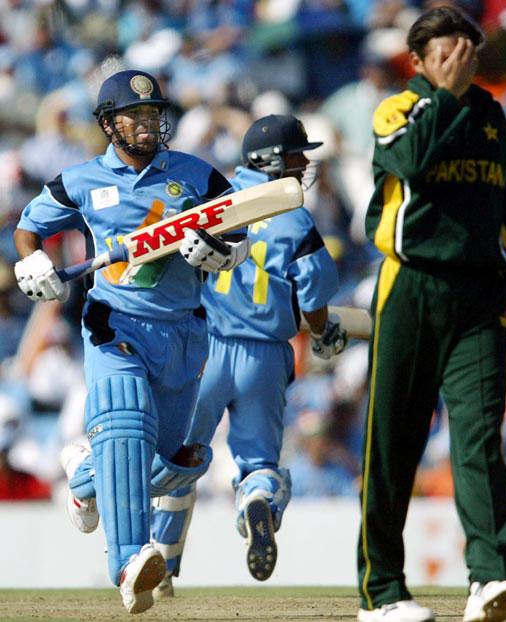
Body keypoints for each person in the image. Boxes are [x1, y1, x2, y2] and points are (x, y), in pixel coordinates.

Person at [13, 69, 249, 614]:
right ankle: (127, 561)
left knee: (169, 461)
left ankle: (84, 472)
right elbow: (29, 225)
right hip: (114, 322)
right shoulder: (80, 180)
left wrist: (222, 252)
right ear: (108, 123)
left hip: (185, 329)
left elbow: (239, 225)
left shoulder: (196, 175)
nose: (147, 124)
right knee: (125, 425)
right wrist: (33, 261)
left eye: (152, 115)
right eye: (134, 116)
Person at [356, 7, 506, 622]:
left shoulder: (492, 115)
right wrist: (444, 95)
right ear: (418, 61)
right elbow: (409, 162)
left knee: (479, 438)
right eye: (444, 52)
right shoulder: (397, 108)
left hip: (480, 297)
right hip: (409, 286)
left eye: (466, 49)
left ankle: (488, 579)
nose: (458, 60)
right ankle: (381, 591)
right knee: (393, 442)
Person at [150, 114, 348, 596]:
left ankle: (160, 565)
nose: (304, 164)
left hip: (204, 348)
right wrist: (325, 337)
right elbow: (315, 298)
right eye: (297, 155)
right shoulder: (296, 217)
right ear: (273, 161)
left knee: (178, 457)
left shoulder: (215, 198)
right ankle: (256, 503)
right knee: (259, 462)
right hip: (265, 354)